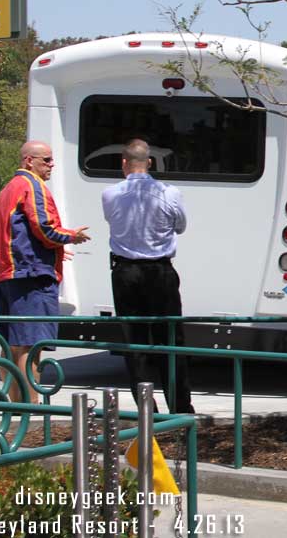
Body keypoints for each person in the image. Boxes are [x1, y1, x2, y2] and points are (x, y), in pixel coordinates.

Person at [0, 141, 90, 402]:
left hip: (10, 273)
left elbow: (22, 233)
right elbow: (44, 228)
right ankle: (30, 406)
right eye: (46, 160)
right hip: (30, 276)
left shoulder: (8, 189)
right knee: (29, 343)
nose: (52, 165)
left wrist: (56, 251)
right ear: (28, 161)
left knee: (13, 343)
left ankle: (17, 405)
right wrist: (70, 237)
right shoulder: (31, 186)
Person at [102, 139, 193, 414]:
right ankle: (180, 408)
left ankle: (146, 408)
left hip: (125, 272)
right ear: (150, 162)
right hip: (160, 271)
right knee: (170, 341)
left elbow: (111, 221)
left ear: (123, 163)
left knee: (135, 342)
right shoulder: (169, 192)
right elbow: (181, 226)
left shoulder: (110, 194)